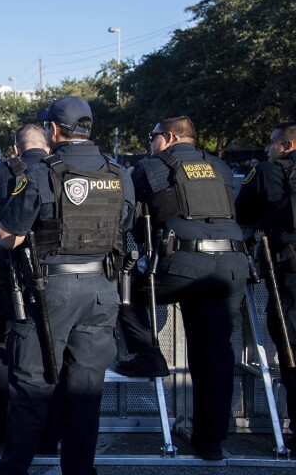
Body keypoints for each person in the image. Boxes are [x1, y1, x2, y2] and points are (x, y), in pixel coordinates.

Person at [0, 97, 134, 475]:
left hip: (51, 289)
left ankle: (12, 471)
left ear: (54, 131)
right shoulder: (118, 173)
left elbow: (10, 234)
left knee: (31, 388)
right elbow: (125, 227)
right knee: (86, 392)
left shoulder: (42, 173)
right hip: (102, 289)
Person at [117, 115, 246, 460]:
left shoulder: (152, 167)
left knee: (122, 287)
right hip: (231, 267)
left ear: (169, 137)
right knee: (215, 352)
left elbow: (128, 217)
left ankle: (147, 354)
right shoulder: (218, 165)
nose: (150, 142)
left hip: (181, 265)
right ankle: (211, 442)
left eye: (152, 136)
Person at [0, 123, 49, 442]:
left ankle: (4, 425)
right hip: (53, 275)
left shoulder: (3, 171)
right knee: (51, 349)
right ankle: (48, 430)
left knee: (3, 348)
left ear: (17, 148)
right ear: (47, 145)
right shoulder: (58, 170)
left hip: (10, 274)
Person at [235, 120, 296, 449]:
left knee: (289, 344)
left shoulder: (270, 171)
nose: (267, 148)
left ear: (286, 147)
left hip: (288, 273)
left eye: (273, 143)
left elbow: (242, 211)